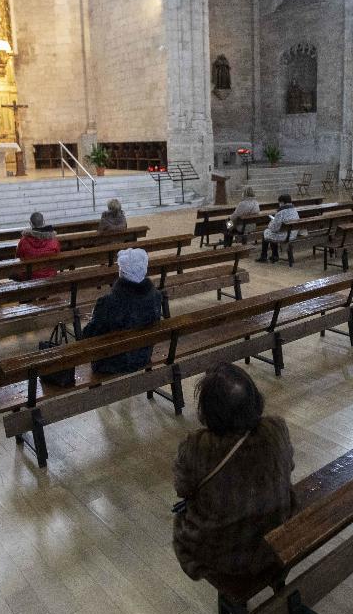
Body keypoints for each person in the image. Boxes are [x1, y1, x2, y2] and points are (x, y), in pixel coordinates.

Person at [173, 363, 295, 593]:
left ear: (208, 411)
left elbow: (182, 489)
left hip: (226, 556)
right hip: (274, 534)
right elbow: (289, 466)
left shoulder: (197, 448)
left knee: (183, 514)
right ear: (254, 399)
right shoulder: (276, 429)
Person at [80, 248, 163, 373]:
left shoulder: (108, 302)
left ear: (122, 272)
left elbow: (88, 336)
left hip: (110, 364)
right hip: (143, 356)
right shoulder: (156, 296)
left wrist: (94, 318)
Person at [16, 212, 61, 280]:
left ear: (30, 223)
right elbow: (58, 254)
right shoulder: (53, 240)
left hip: (30, 276)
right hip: (50, 275)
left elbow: (18, 257)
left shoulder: (24, 241)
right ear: (44, 222)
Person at [259, 194, 300, 263]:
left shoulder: (280, 212)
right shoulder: (294, 210)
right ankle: (274, 255)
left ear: (282, 202)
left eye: (279, 203)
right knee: (272, 234)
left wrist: (271, 222)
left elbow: (274, 228)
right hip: (293, 234)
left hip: (285, 236)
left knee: (266, 232)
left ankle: (264, 256)